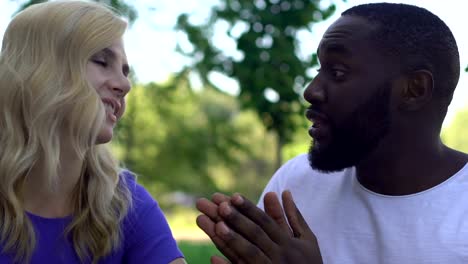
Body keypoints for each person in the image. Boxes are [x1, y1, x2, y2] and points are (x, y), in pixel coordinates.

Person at [196, 2, 468, 263]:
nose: (311, 90)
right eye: (319, 70)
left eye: (337, 72)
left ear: (415, 89)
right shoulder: (297, 182)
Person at [0, 1, 185, 263]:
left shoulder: (126, 205)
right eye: (101, 61)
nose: (125, 85)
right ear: (39, 72)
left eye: (124, 71)